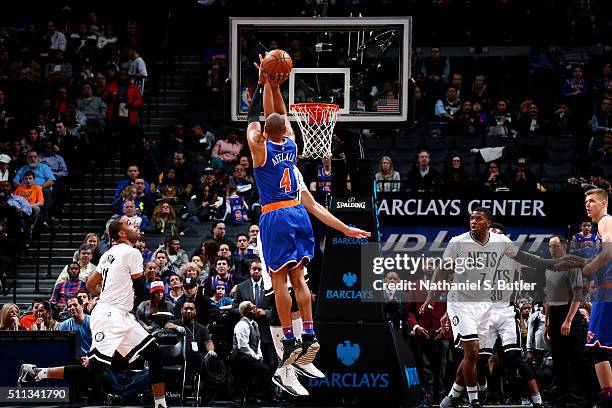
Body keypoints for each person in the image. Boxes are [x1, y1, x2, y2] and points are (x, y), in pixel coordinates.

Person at [246, 62, 369, 369]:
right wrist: (275, 86)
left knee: (278, 282)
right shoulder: (291, 144)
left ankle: (289, 339)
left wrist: (261, 83)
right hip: (298, 213)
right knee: (299, 279)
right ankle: (310, 335)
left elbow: (252, 122)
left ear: (264, 134)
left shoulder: (260, 150)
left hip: (275, 215)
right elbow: (280, 116)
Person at [423, 208, 581, 408]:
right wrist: (432, 294)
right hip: (462, 302)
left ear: (488, 223)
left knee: (488, 355)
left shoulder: (503, 246)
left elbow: (528, 259)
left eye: (478, 218)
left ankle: (454, 396)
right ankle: (474, 399)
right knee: (473, 353)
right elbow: (443, 268)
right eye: (471, 218)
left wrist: (552, 264)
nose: (473, 221)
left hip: (491, 306)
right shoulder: (458, 241)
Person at [18, 217, 168, 408]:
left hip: (120, 315)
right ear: (121, 234)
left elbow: (89, 284)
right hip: (110, 316)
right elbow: (140, 290)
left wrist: (106, 294)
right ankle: (37, 372)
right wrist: (113, 298)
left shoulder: (107, 254)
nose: (134, 225)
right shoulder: (132, 252)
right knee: (93, 372)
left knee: (154, 354)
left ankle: (160, 404)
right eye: (129, 224)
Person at [477, 223, 543, 408]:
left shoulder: (514, 257)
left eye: (498, 236)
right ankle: (482, 392)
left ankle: (537, 400)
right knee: (480, 360)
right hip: (485, 313)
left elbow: (536, 265)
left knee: (515, 358)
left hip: (506, 312)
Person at [544, 235, 596, 406]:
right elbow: (549, 298)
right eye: (550, 246)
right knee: (559, 358)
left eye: (555, 246)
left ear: (564, 246)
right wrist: (547, 323)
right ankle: (563, 396)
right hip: (555, 314)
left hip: (570, 314)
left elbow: (578, 295)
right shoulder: (549, 268)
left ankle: (590, 396)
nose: (552, 250)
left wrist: (568, 321)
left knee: (578, 358)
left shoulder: (572, 266)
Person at [571, 188, 612, 407]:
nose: (587, 204)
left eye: (592, 200)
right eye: (586, 201)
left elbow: (608, 252)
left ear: (604, 203)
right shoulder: (600, 228)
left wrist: (587, 270)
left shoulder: (606, 221)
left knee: (598, 348)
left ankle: (607, 399)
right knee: (603, 349)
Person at [230, 300, 272, 403]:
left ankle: (251, 395)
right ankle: (255, 395)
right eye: (252, 308)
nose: (255, 310)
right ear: (245, 311)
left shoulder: (255, 324)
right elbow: (243, 346)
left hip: (250, 355)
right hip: (239, 355)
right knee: (264, 370)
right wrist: (256, 357)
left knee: (266, 367)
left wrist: (260, 355)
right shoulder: (241, 325)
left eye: (255, 307)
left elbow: (257, 343)